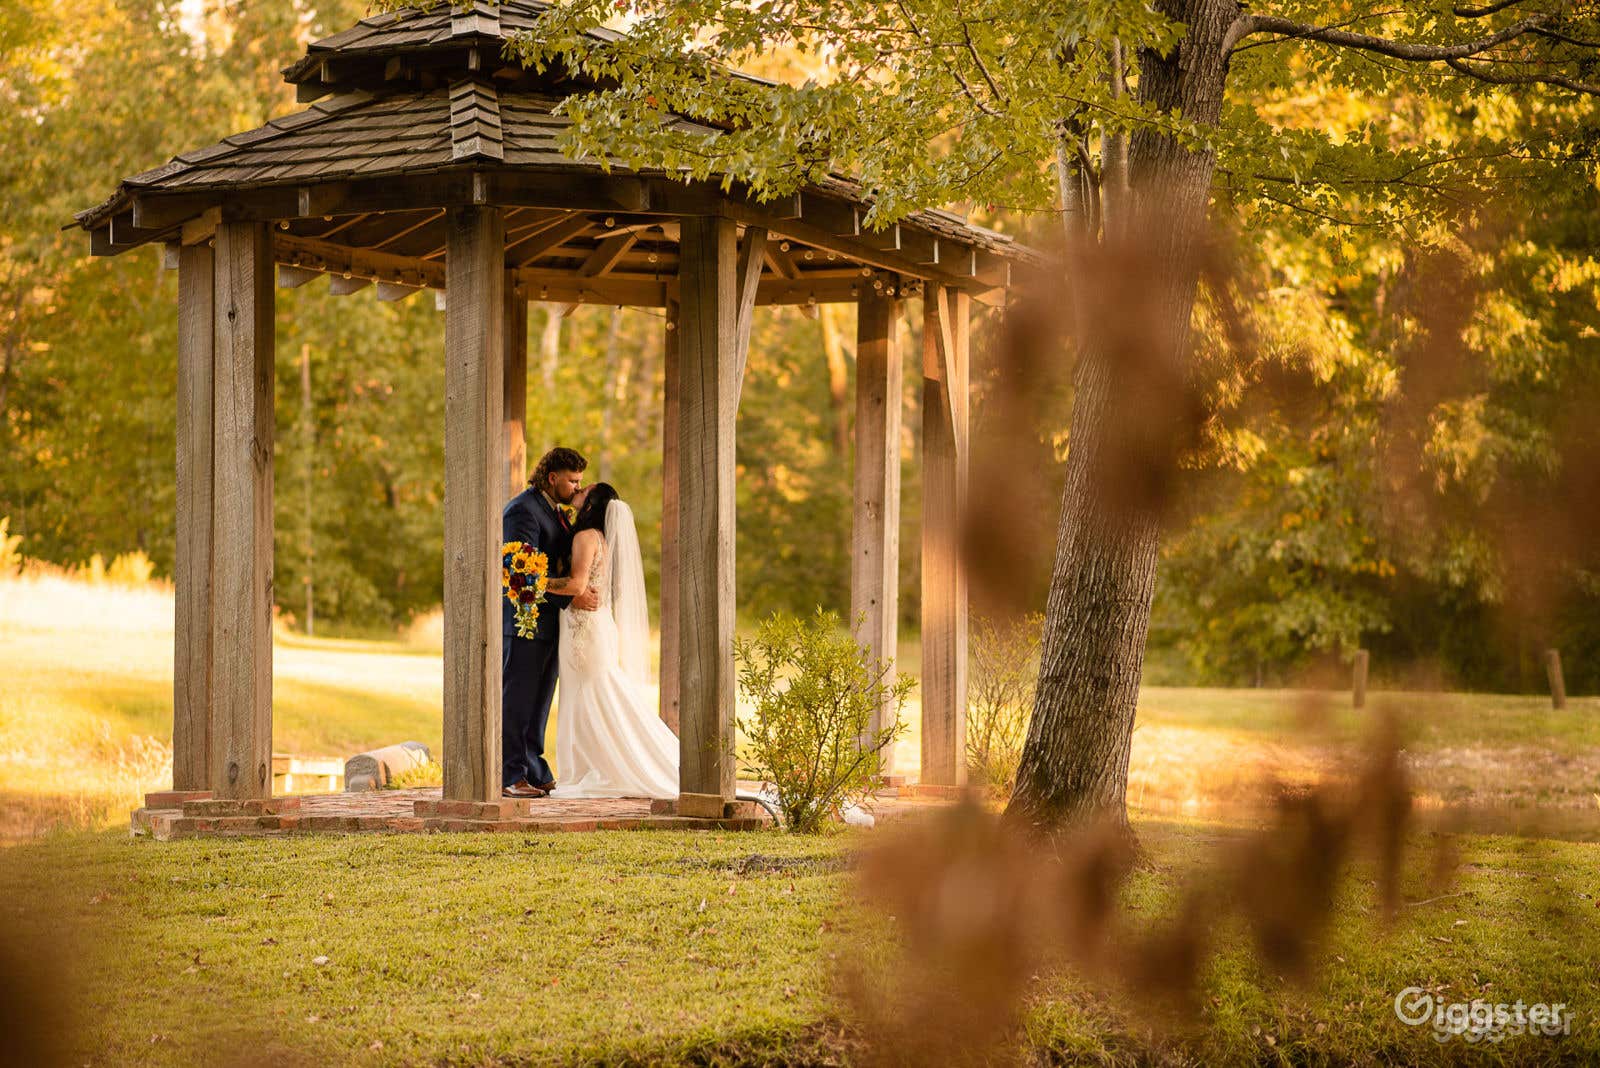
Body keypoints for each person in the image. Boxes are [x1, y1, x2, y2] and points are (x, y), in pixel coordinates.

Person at [550, 481, 680, 799]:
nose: (577, 493)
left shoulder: (584, 537)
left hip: (584, 629)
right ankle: (586, 766)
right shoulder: (602, 539)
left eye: (583, 492)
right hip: (594, 625)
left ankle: (586, 768)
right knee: (589, 694)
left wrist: (533, 580)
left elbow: (577, 584)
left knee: (589, 695)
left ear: (591, 505)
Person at [501, 447, 599, 799]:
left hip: (549, 624)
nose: (576, 488)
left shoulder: (556, 512)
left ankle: (534, 769)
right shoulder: (522, 511)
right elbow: (519, 572)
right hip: (524, 622)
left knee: (540, 701)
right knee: (518, 700)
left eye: (579, 482)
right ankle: (509, 776)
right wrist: (571, 594)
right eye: (572, 481)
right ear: (552, 477)